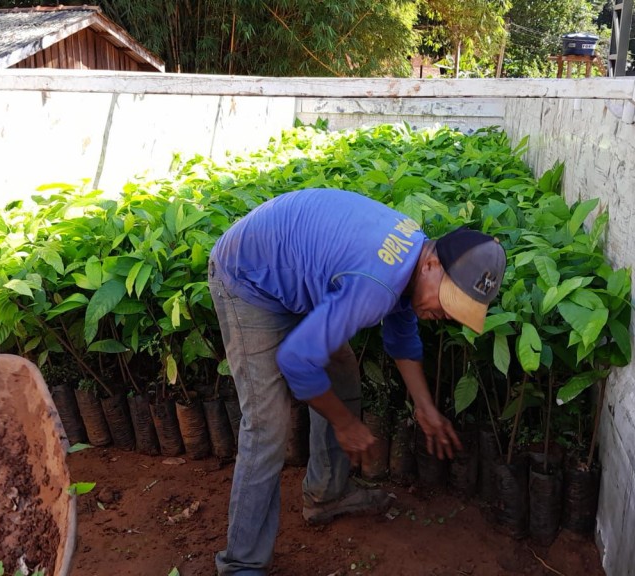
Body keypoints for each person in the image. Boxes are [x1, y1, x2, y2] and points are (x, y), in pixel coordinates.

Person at [208, 188, 506, 575]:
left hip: (292, 271)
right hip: (248, 277)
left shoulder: (412, 256)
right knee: (267, 424)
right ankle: (241, 564)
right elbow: (296, 362)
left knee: (342, 373)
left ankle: (326, 495)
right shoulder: (376, 284)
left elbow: (402, 335)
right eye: (448, 299)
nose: (446, 313)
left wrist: (425, 408)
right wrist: (344, 424)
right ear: (432, 265)